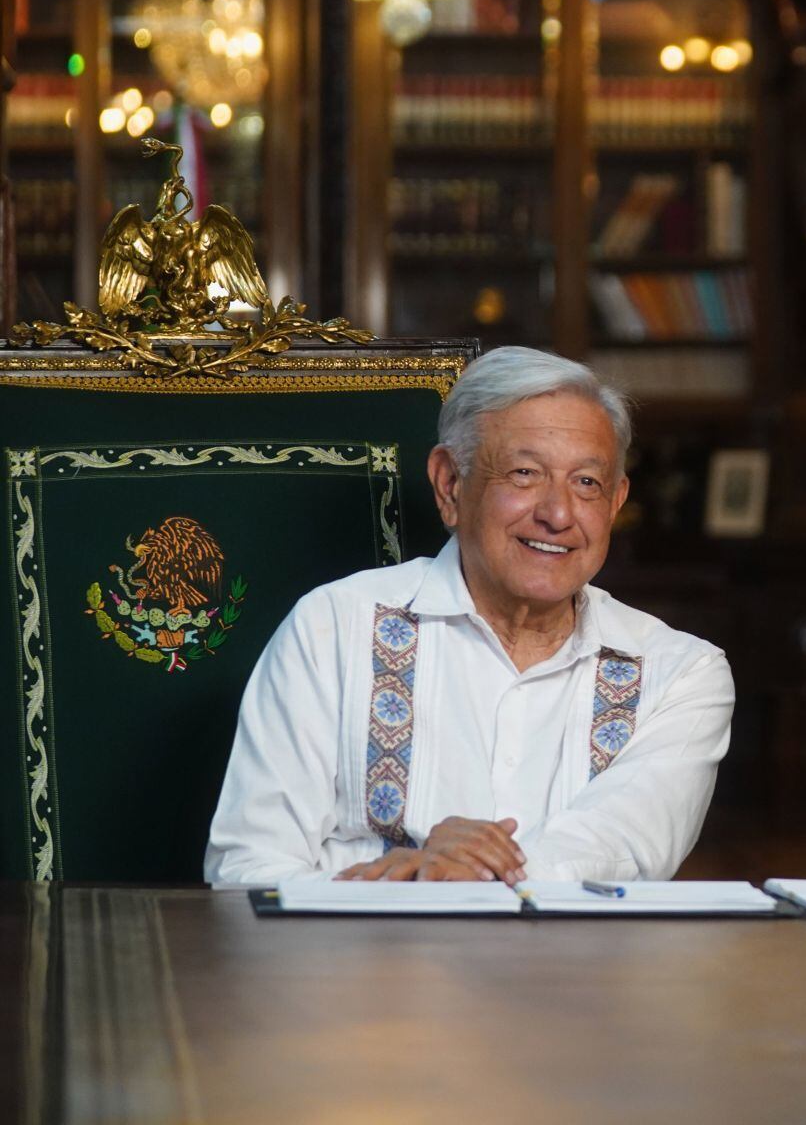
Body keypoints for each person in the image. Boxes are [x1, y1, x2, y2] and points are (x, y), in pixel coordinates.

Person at [205, 347, 734, 883]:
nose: (557, 514)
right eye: (525, 473)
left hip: (574, 968)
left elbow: (617, 850)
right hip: (362, 963)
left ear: (616, 502)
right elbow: (245, 870)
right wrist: (404, 886)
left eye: (586, 483)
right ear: (449, 484)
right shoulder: (333, 629)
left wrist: (451, 878)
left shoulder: (679, 674)